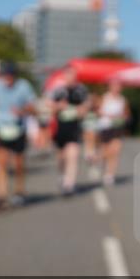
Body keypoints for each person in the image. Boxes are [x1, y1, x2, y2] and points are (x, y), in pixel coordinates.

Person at [0, 62, 36, 211]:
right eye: (5, 76)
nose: (7, 79)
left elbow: (32, 107)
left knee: (18, 164)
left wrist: (22, 110)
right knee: (1, 163)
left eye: (10, 76)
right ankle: (1, 195)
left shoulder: (24, 86)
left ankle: (19, 191)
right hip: (1, 127)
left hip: (18, 129)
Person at [50, 67, 90, 196]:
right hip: (60, 128)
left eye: (73, 76)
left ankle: (69, 184)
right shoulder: (58, 91)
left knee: (73, 156)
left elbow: (85, 109)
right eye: (68, 76)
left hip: (75, 128)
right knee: (61, 157)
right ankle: (62, 174)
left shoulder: (82, 90)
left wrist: (79, 110)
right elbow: (50, 108)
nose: (70, 79)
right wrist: (58, 107)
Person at [96, 78, 130, 187]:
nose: (116, 88)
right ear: (110, 86)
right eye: (114, 85)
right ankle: (101, 161)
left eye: (118, 86)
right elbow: (98, 111)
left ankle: (110, 175)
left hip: (117, 127)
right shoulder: (104, 97)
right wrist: (108, 115)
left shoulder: (122, 99)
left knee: (115, 150)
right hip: (105, 126)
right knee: (106, 151)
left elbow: (126, 114)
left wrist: (123, 117)